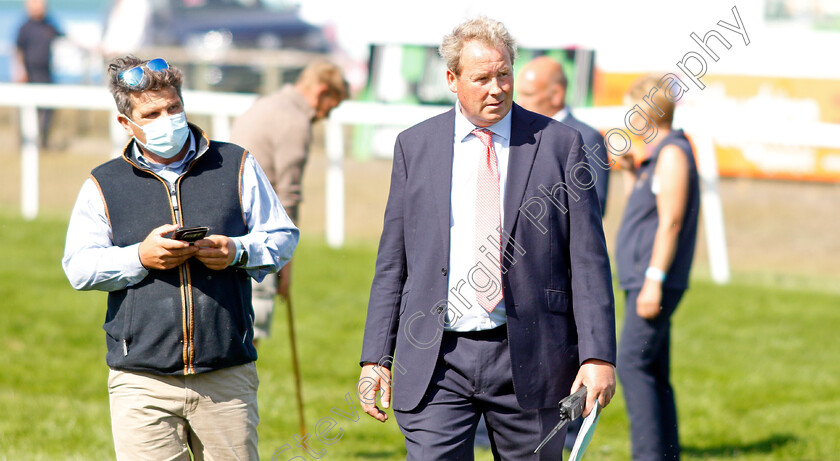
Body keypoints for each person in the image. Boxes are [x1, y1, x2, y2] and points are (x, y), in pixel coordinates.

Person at [357, 16, 616, 460]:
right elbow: (393, 262)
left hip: (534, 358)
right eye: (481, 78)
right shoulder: (414, 146)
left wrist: (598, 356)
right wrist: (375, 358)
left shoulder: (561, 145)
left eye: (504, 75)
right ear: (452, 79)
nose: (496, 88)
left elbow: (587, 261)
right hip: (438, 359)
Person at [62, 55, 299, 460]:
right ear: (126, 123)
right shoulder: (103, 182)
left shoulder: (237, 163)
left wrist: (237, 251)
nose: (167, 119)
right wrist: (140, 256)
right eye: (151, 113)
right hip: (140, 380)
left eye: (173, 107)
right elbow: (79, 267)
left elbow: (282, 237)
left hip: (226, 376)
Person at [230, 60, 347, 344]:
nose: (326, 116)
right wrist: (286, 260)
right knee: (249, 331)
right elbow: (288, 196)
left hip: (230, 221)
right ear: (321, 92)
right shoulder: (295, 121)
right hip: (255, 230)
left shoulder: (265, 104)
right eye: (330, 108)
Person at [615, 75, 700, 460]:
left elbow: (671, 222)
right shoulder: (656, 156)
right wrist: (632, 172)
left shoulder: (672, 153)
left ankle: (649, 455)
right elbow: (648, 211)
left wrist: (653, 280)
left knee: (632, 364)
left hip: (654, 282)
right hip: (644, 279)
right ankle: (667, 453)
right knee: (654, 368)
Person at [517, 56, 610, 216]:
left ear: (556, 95)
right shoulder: (520, 135)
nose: (519, 102)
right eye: (519, 94)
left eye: (528, 94)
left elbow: (595, 203)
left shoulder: (587, 137)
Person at [15, 0, 61, 148]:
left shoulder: (49, 25)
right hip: (29, 75)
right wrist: (20, 71)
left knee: (48, 110)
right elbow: (18, 51)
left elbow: (64, 37)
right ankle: (24, 142)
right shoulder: (24, 28)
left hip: (46, 74)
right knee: (27, 112)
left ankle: (44, 142)